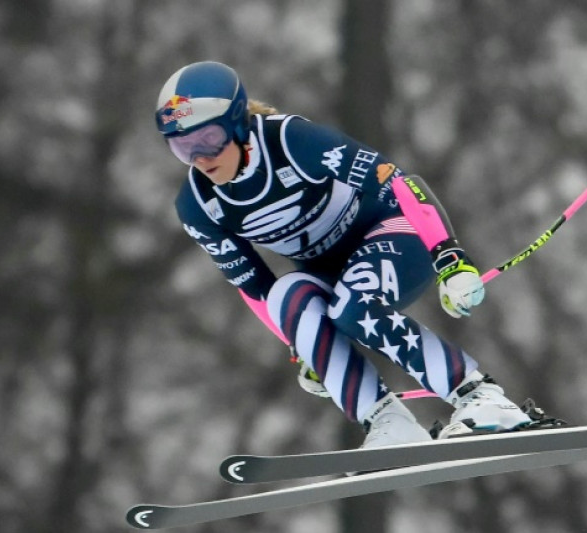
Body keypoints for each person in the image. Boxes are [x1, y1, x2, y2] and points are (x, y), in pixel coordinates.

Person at [155, 61, 556, 449]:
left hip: (398, 235)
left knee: (353, 301)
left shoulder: (290, 141)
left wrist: (449, 259)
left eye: (208, 139)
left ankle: (480, 397)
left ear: (238, 122)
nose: (201, 159)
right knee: (287, 297)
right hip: (333, 273)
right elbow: (256, 289)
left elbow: (395, 181)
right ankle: (387, 421)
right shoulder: (198, 206)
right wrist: (303, 347)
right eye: (183, 147)